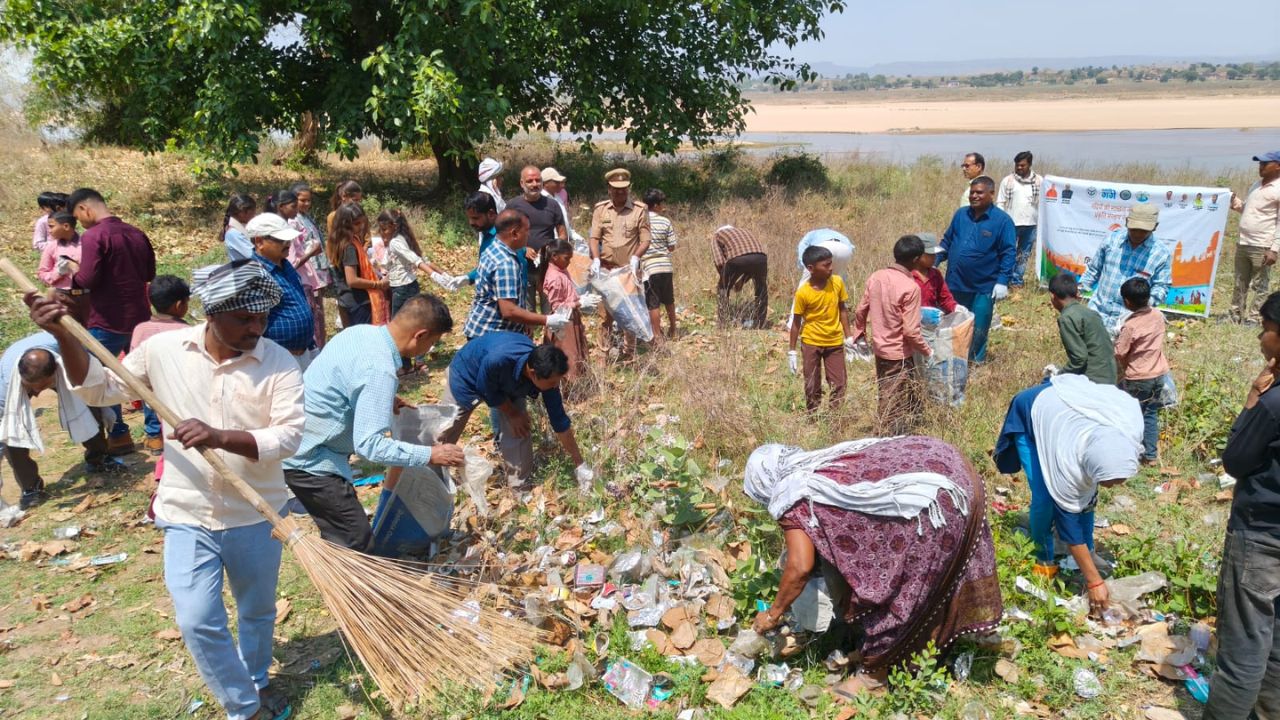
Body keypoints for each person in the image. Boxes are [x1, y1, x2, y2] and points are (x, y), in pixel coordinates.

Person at [32, 260, 305, 720]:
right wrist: (63, 334)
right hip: (186, 511)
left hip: (256, 513)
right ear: (212, 313)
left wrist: (220, 436)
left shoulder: (277, 362)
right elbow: (100, 389)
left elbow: (288, 437)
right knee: (197, 619)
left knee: (257, 611)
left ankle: (256, 680)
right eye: (244, 319)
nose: (255, 328)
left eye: (261, 318)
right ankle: (245, 708)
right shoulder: (162, 350)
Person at [744, 436, 1002, 694]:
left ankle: (874, 678)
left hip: (932, 502)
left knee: (897, 592)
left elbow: (799, 567)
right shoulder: (816, 464)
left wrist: (773, 614)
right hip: (953, 468)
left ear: (763, 485)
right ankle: (931, 644)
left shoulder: (791, 495)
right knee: (933, 583)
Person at [284, 294, 464, 551]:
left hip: (302, 440)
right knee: (357, 544)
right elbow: (370, 446)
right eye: (433, 343)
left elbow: (343, 381)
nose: (429, 350)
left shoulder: (360, 334)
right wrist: (430, 454)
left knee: (344, 538)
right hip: (311, 461)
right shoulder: (379, 370)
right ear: (420, 335)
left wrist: (379, 399)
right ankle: (350, 591)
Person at [995, 374, 1142, 600]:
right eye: (1108, 481)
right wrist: (1094, 583)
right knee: (1044, 497)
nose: (1111, 488)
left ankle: (1087, 553)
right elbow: (1068, 523)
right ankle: (1043, 557)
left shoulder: (1127, 431)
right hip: (1033, 412)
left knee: (1087, 491)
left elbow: (1085, 495)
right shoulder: (1066, 462)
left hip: (1069, 410)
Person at [1203, 290, 1280, 719]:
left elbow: (1235, 460)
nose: (1260, 339)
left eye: (1267, 330)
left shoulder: (1272, 402)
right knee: (1277, 646)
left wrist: (1252, 398)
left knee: (1244, 648)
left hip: (1263, 535)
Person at [439, 331, 592, 488]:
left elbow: (559, 421)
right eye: (553, 382)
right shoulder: (497, 360)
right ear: (533, 374)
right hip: (467, 375)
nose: (555, 386)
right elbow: (485, 388)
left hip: (509, 383)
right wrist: (512, 413)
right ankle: (430, 475)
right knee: (444, 430)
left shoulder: (546, 375)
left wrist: (580, 464)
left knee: (520, 430)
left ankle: (519, 487)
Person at [68, 187, 157, 455]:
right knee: (149, 375)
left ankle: (119, 434)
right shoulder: (136, 232)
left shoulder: (94, 236)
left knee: (105, 378)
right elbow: (150, 272)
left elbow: (87, 280)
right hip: (140, 317)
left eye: (77, 216)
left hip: (105, 319)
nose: (79, 222)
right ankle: (156, 435)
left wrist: (74, 270)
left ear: (85, 209)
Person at [0, 333, 118, 510]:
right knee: (12, 432)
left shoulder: (70, 349)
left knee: (88, 403)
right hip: (18, 379)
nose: (38, 394)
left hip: (63, 362)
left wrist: (101, 403)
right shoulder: (6, 384)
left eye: (41, 387)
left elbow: (95, 377)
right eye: (32, 389)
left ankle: (99, 458)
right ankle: (31, 488)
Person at [852, 235, 933, 434]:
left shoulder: (876, 276)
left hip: (880, 348)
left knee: (886, 390)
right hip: (898, 353)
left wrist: (859, 334)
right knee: (892, 399)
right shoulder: (910, 288)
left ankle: (898, 428)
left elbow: (861, 309)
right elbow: (911, 331)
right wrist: (928, 351)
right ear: (916, 259)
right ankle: (884, 436)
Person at [939, 176, 1016, 362]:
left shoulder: (1002, 221)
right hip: (955, 283)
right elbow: (947, 241)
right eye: (972, 192)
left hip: (983, 287)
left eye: (979, 192)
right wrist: (934, 261)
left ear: (991, 194)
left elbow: (1008, 252)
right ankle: (952, 359)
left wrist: (1003, 281)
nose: (974, 196)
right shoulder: (960, 215)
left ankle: (975, 363)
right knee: (953, 325)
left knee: (979, 327)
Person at [463, 210, 567, 340]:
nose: (529, 234)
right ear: (515, 234)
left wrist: (524, 321)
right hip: (491, 335)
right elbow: (509, 310)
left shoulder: (495, 247)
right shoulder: (505, 263)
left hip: (485, 330)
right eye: (527, 230)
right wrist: (547, 319)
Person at [1079, 204, 1172, 335]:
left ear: (1155, 227)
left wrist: (1144, 304)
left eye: (1144, 230)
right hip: (1097, 313)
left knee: (1120, 355)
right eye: (1134, 229)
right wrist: (1080, 289)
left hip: (1129, 322)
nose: (1138, 234)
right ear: (1127, 222)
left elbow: (1162, 286)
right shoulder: (1112, 240)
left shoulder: (1160, 253)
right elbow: (1094, 269)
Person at [589, 168, 652, 351]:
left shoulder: (639, 210)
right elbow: (594, 238)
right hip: (607, 271)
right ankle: (604, 353)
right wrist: (595, 259)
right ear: (609, 189)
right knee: (605, 316)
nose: (620, 192)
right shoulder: (601, 210)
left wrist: (636, 257)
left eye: (623, 189)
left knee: (629, 313)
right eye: (616, 189)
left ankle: (629, 352)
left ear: (629, 189)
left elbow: (646, 239)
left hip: (628, 272)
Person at [130, 276, 192, 454]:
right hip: (180, 392)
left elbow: (135, 358)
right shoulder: (186, 331)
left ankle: (154, 439)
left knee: (156, 417)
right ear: (180, 305)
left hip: (151, 389)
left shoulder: (141, 329)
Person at [1114, 278, 1172, 465]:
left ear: (1127, 302)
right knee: (1150, 414)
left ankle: (1129, 453)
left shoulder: (1130, 326)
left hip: (1138, 377)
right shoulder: (1157, 315)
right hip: (1158, 374)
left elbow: (1120, 351)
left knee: (1131, 415)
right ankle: (1151, 455)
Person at [248, 214, 316, 367]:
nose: (288, 244)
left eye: (289, 239)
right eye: (281, 240)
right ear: (259, 241)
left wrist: (311, 346)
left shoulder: (286, 265)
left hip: (303, 353)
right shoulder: (255, 274)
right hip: (275, 360)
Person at [789, 245, 852, 411]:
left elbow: (842, 309)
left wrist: (849, 337)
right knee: (812, 384)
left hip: (834, 341)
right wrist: (792, 351)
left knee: (839, 383)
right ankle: (812, 415)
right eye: (826, 265)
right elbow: (796, 322)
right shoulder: (803, 293)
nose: (831, 268)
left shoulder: (837, 283)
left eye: (831, 263)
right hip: (811, 342)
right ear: (811, 268)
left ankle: (836, 418)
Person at [1228, 151, 1280, 323]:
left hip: (1262, 245)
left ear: (1278, 166)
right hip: (1244, 242)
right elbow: (1247, 208)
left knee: (1259, 285)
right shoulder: (1256, 185)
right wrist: (1234, 202)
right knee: (1239, 281)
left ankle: (1254, 318)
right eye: (1259, 163)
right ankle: (1234, 315)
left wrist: (1274, 249)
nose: (1261, 166)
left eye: (1265, 163)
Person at [506, 166, 567, 311]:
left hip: (548, 268)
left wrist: (552, 250)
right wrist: (522, 249)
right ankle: (528, 333)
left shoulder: (552, 205)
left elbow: (563, 233)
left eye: (538, 180)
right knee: (526, 311)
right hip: (522, 267)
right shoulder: (513, 205)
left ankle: (550, 334)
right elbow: (504, 236)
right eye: (530, 181)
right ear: (522, 183)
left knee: (551, 309)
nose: (534, 184)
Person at [275, 188, 328, 350]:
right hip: (300, 279)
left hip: (309, 277)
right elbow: (292, 261)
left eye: (308, 200)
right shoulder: (288, 226)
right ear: (281, 206)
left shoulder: (303, 218)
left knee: (317, 316)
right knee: (311, 319)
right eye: (298, 203)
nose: (303, 205)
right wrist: (312, 252)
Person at [326, 202, 388, 328]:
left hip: (345, 299)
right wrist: (378, 284)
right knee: (363, 341)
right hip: (358, 302)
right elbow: (352, 280)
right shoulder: (349, 246)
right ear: (345, 224)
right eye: (356, 224)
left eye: (362, 222)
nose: (361, 227)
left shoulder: (337, 240)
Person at [1049, 273, 1117, 385]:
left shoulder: (1067, 318)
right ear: (1077, 293)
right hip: (1110, 377)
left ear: (1053, 296)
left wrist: (1060, 375)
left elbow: (1079, 358)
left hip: (1093, 381)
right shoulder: (1091, 313)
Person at [543, 240, 591, 382]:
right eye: (566, 258)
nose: (569, 262)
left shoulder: (561, 271)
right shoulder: (555, 278)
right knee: (568, 355)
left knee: (575, 352)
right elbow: (557, 306)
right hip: (563, 322)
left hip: (570, 318)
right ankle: (568, 387)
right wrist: (578, 303)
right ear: (554, 256)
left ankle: (576, 385)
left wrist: (579, 298)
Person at [996, 151, 1043, 288]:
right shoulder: (1008, 181)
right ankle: (1004, 279)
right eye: (1017, 165)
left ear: (1030, 165)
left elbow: (1045, 202)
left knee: (1024, 254)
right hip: (1011, 224)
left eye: (1022, 165)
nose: (1019, 168)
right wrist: (1001, 223)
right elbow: (1000, 202)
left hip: (1031, 224)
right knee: (1008, 252)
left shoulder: (1040, 181)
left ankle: (1017, 281)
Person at [711, 225, 768, 329]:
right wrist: (742, 281)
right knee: (761, 288)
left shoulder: (717, 235)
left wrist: (726, 281)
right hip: (761, 258)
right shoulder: (745, 230)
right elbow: (751, 258)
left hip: (737, 260)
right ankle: (760, 323)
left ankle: (723, 323)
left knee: (722, 288)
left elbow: (719, 261)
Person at [642, 188, 679, 342]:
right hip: (665, 266)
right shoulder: (665, 221)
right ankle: (673, 329)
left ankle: (657, 336)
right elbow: (672, 246)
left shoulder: (641, 222)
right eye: (662, 203)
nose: (663, 206)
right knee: (669, 299)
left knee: (653, 302)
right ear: (656, 205)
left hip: (649, 268)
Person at [911, 233, 957, 313]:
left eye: (935, 254)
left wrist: (955, 308)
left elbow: (945, 299)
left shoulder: (935, 274)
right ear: (918, 254)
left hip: (931, 322)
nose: (934, 257)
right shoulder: (907, 275)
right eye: (930, 254)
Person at [464, 191, 502, 285]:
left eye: (475, 218)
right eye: (469, 218)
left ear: (491, 214)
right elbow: (486, 268)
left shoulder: (502, 237)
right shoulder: (487, 233)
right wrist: (468, 278)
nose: (471, 223)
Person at [540, 167, 581, 252]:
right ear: (546, 183)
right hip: (552, 246)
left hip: (562, 244)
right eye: (556, 182)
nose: (560, 185)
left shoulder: (558, 198)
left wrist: (573, 235)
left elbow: (564, 222)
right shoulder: (541, 200)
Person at [36, 212, 81, 290]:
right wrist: (58, 273)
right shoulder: (51, 247)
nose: (49, 231)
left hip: (87, 295)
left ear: (66, 226)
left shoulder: (87, 245)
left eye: (51, 227)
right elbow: (42, 273)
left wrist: (78, 269)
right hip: (60, 296)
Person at [221, 194, 257, 262]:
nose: (254, 215)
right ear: (242, 213)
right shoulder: (233, 233)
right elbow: (253, 256)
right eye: (253, 212)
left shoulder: (241, 228)